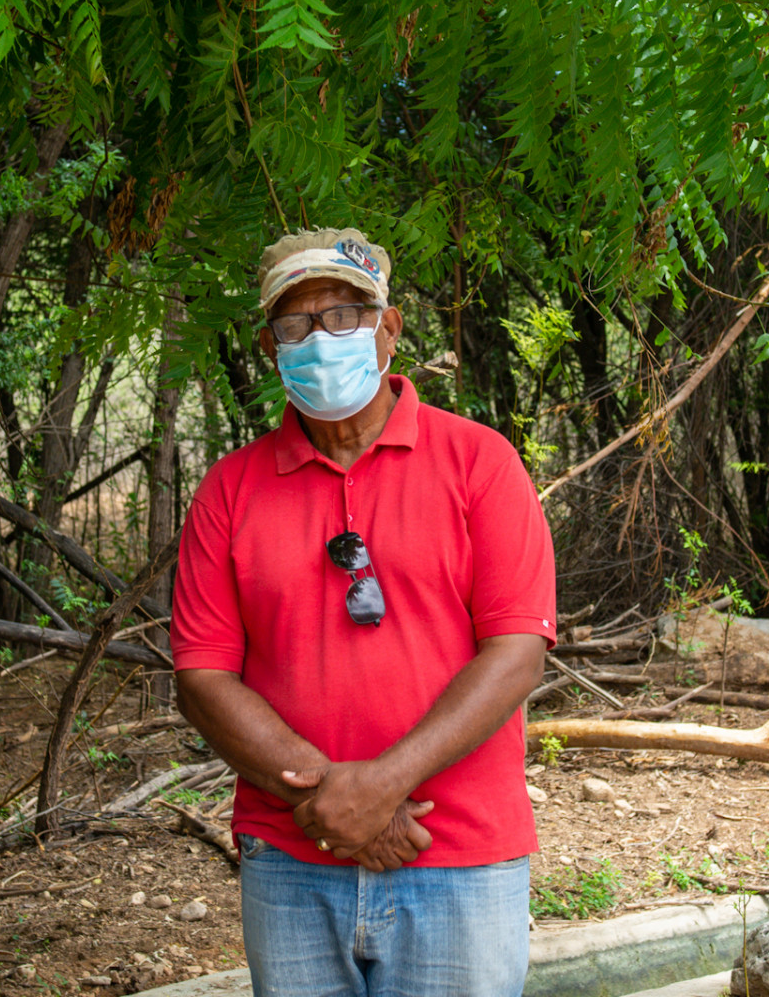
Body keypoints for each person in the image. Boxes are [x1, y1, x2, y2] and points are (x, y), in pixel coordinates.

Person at [172, 229, 556, 996]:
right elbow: (203, 677)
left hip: (460, 857)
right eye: (297, 323)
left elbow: (516, 651)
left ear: (389, 328)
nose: (322, 338)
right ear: (270, 346)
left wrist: (383, 787)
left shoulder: (480, 463)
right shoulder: (230, 490)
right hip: (290, 860)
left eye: (344, 315)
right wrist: (328, 799)